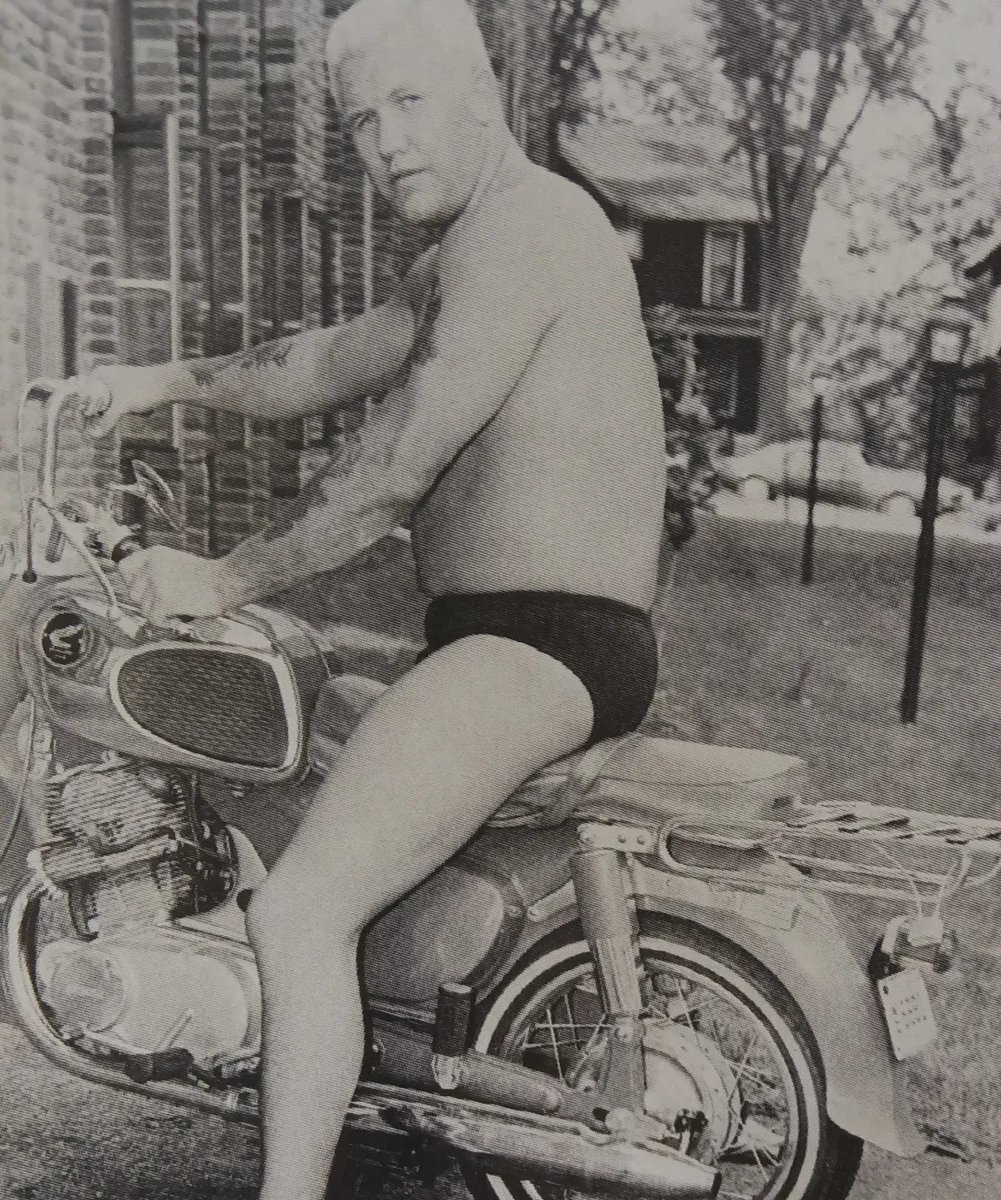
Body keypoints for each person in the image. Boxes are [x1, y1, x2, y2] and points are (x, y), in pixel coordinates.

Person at [72, 1, 667, 1196]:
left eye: (407, 102)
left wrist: (222, 576)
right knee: (281, 763)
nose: (383, 140)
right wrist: (163, 382)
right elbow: (331, 359)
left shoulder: (527, 230)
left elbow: (393, 464)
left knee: (298, 915)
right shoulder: (460, 252)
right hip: (509, 639)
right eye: (357, 120)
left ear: (481, 91)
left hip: (536, 642)